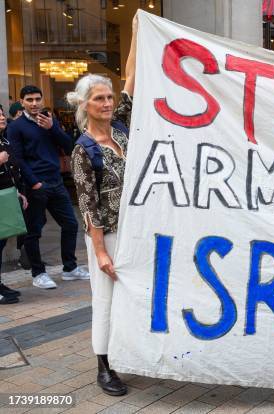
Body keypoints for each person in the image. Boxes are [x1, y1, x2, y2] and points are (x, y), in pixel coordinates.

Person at [68, 13, 137, 396]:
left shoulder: (122, 131)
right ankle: (103, 367)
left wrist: (140, 29)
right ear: (85, 105)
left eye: (109, 97)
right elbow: (87, 204)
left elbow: (130, 80)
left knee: (131, 294)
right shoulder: (84, 149)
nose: (108, 102)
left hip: (133, 230)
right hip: (106, 236)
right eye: (100, 98)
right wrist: (98, 251)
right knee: (106, 299)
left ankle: (127, 355)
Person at [7, 85, 89, 289]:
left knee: (71, 224)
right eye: (29, 100)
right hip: (36, 185)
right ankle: (38, 273)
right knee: (34, 231)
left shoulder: (49, 121)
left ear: (42, 100)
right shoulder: (16, 127)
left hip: (56, 181)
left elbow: (69, 145)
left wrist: (52, 127)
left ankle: (70, 268)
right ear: (22, 102)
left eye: (37, 99)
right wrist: (34, 183)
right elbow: (17, 158)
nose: (34, 104)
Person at [0, 107, 27, 304]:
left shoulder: (4, 140)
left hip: (6, 197)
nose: (2, 117)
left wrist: (17, 191)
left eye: (2, 113)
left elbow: (11, 170)